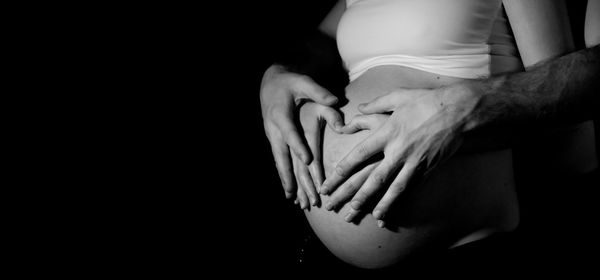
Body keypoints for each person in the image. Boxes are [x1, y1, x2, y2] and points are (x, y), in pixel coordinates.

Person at [260, 0, 599, 271]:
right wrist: (276, 74)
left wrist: (456, 125)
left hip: (463, 239)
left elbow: (563, 110)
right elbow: (319, 43)